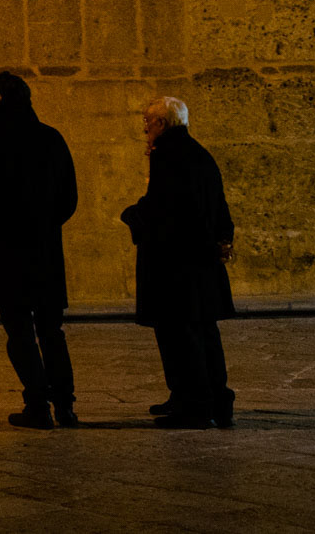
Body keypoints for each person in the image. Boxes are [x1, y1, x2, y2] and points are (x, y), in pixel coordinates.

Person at [0, 72, 79, 429]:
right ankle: (65, 405)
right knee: (51, 330)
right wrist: (45, 224)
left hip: (5, 253)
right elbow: (69, 198)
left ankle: (37, 403)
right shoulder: (51, 139)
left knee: (18, 331)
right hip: (45, 250)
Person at [121, 95, 237, 430]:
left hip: (175, 268)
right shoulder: (199, 154)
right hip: (200, 264)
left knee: (181, 335)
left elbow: (163, 210)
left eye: (147, 121)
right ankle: (215, 400)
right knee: (203, 333)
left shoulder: (168, 156)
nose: (145, 128)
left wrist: (132, 216)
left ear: (162, 123)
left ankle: (196, 407)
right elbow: (217, 206)